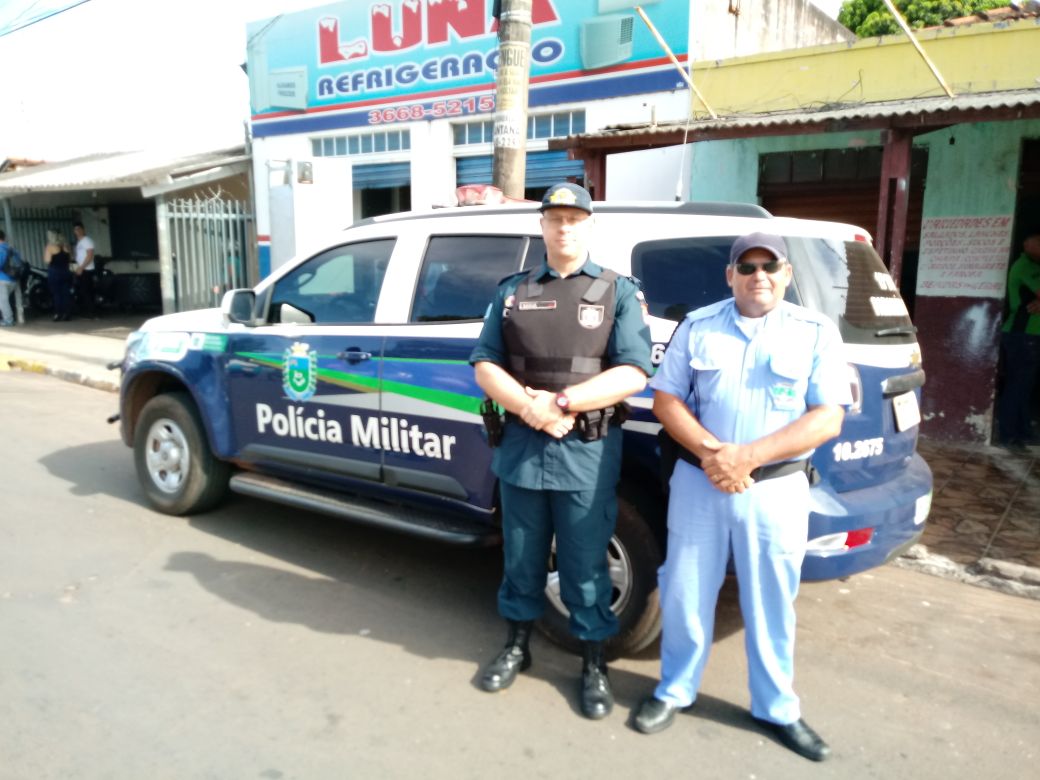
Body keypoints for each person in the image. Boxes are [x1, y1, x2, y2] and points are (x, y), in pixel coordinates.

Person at [633, 232, 850, 762]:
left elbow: (828, 417)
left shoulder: (816, 332)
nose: (759, 276)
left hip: (775, 488)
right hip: (699, 482)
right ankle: (674, 690)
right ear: (730, 275)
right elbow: (667, 400)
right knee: (684, 591)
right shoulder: (698, 326)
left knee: (771, 601)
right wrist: (717, 456)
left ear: (786, 275)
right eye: (747, 267)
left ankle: (777, 708)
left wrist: (747, 458)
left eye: (769, 266)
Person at [469, 182, 652, 719]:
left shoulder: (617, 291)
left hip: (586, 452)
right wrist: (531, 408)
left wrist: (563, 403)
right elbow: (485, 364)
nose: (564, 227)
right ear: (542, 226)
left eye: (575, 218)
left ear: (590, 225)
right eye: (555, 219)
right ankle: (516, 646)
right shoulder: (512, 291)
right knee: (521, 557)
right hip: (523, 448)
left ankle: (594, 663)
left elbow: (634, 372)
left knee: (586, 562)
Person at [998, 235, 1040, 450]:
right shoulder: (1024, 266)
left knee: (1025, 386)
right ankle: (1008, 434)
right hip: (1021, 334)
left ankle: (1023, 432)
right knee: (1017, 386)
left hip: (1030, 335)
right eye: (1038, 242)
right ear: (1026, 245)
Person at [44, 229, 74, 321]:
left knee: (56, 294)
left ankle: (58, 314)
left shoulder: (50, 247)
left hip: (55, 272)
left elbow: (47, 260)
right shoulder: (66, 246)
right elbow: (71, 259)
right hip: (66, 271)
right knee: (66, 293)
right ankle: (67, 314)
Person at [72, 221, 96, 318]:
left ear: (83, 230)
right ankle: (85, 311)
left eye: (79, 229)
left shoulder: (87, 241)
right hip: (80, 269)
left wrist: (82, 267)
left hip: (87, 269)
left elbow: (90, 255)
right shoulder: (79, 242)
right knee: (82, 291)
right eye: (75, 229)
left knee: (87, 291)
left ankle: (91, 312)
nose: (77, 231)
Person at [0, 230, 15, 326]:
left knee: (3, 301)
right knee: (5, 300)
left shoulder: (0, 249)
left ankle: (8, 320)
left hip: (2, 279)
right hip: (13, 278)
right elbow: (19, 261)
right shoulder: (10, 248)